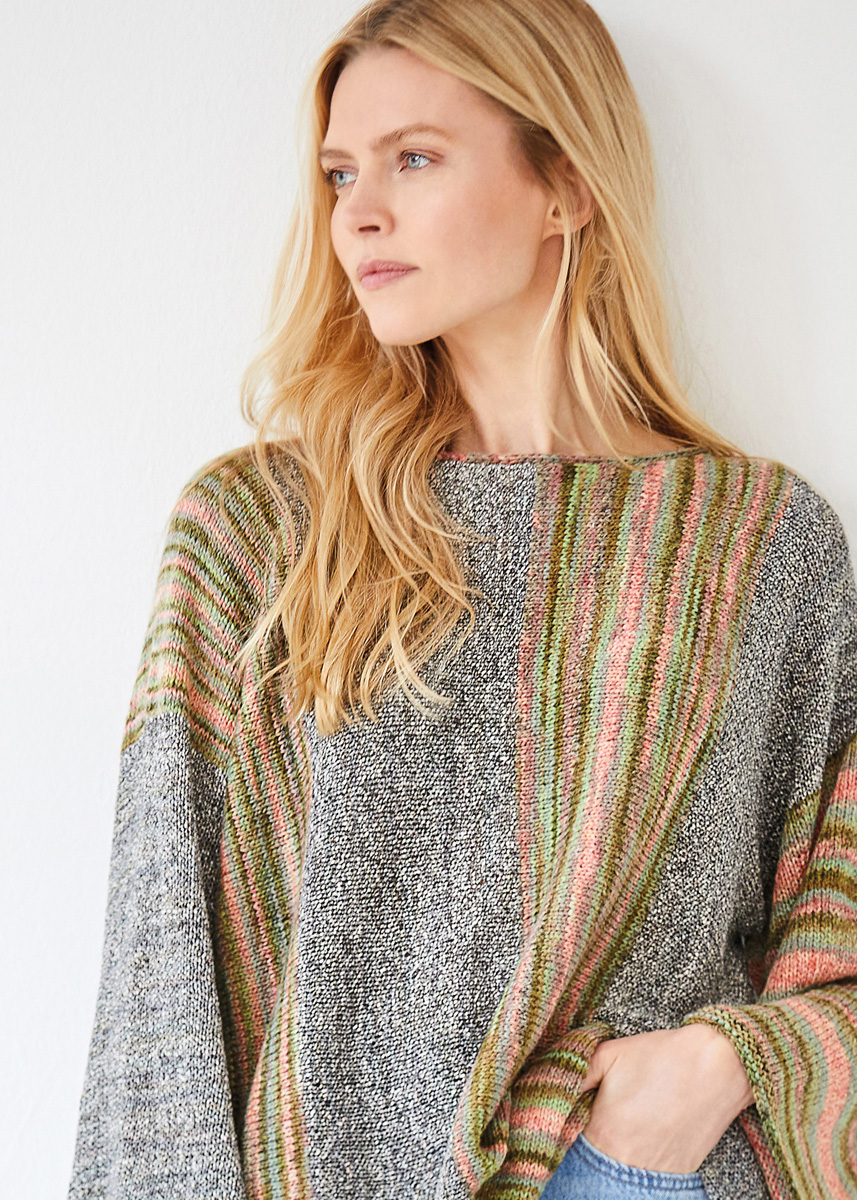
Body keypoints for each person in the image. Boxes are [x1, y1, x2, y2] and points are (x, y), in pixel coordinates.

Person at [68, 1, 857, 1198]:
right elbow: (159, 969)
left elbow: (836, 920)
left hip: (633, 1172)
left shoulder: (754, 539)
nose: (357, 214)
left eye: (415, 159)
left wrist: (720, 1064)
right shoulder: (260, 530)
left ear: (565, 187)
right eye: (341, 173)